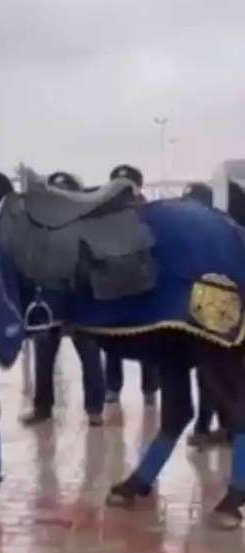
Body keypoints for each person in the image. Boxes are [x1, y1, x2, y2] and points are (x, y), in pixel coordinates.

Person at [21, 172, 107, 427]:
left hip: (81, 301)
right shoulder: (40, 226)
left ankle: (94, 409)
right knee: (44, 357)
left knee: (90, 356)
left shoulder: (89, 225)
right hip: (50, 299)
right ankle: (43, 407)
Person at [103, 164, 160, 406]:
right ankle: (113, 387)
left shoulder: (151, 213)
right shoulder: (104, 214)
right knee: (112, 339)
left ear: (138, 187)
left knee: (147, 338)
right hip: (113, 287)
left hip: (144, 285)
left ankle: (149, 388)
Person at [181, 183, 230, 447]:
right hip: (211, 309)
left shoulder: (208, 229)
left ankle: (207, 427)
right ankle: (222, 426)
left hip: (216, 309)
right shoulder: (220, 225)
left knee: (211, 372)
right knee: (215, 371)